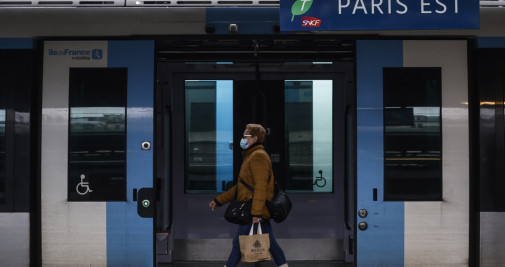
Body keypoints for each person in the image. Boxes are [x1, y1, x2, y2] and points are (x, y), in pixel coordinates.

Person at [209, 124, 288, 267]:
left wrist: (256, 213)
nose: (242, 139)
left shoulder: (258, 157)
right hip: (254, 208)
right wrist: (219, 200)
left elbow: (261, 187)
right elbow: (241, 187)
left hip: (254, 209)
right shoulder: (251, 156)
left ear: (254, 138)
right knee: (270, 243)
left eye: (245, 136)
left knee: (238, 243)